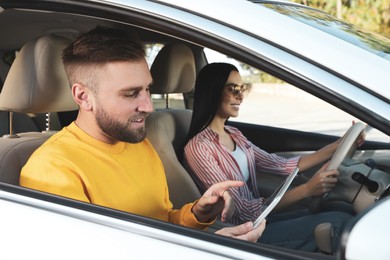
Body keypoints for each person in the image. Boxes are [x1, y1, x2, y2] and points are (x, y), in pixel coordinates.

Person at [19, 27, 265, 242]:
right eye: (130, 93)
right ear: (83, 97)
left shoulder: (138, 143)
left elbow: (162, 222)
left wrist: (198, 214)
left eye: (148, 89)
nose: (148, 106)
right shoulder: (51, 169)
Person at [184, 62, 364, 252]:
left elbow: (282, 165)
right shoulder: (198, 148)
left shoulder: (234, 133)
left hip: (260, 220)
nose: (240, 95)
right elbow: (242, 210)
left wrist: (340, 144)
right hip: (241, 234)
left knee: (340, 210)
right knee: (338, 224)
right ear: (213, 91)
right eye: (232, 88)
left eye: (241, 88)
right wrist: (307, 190)